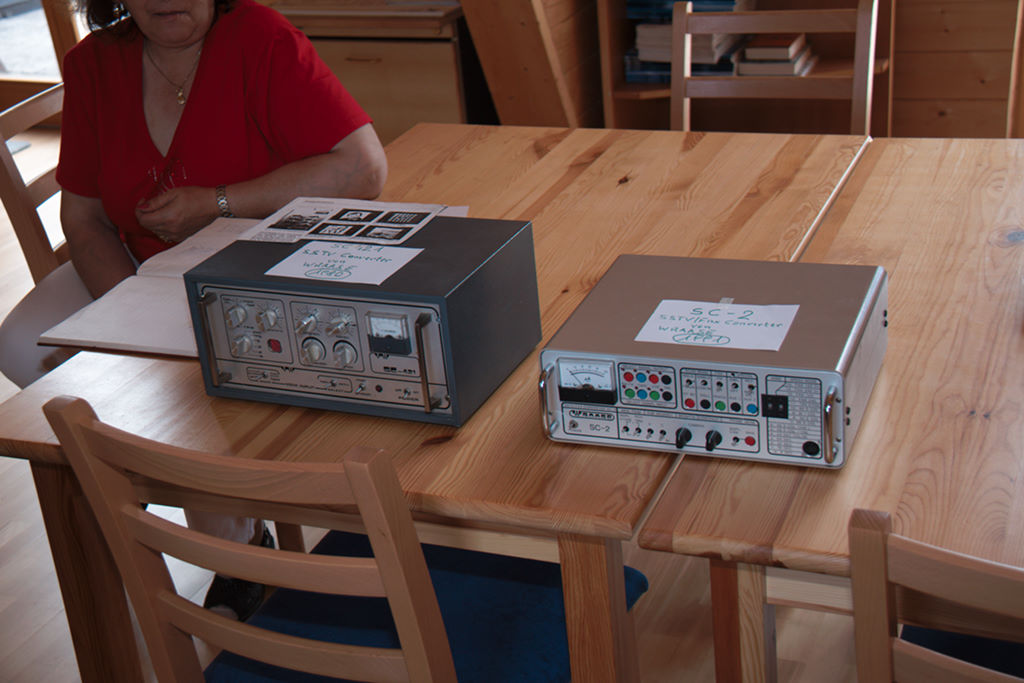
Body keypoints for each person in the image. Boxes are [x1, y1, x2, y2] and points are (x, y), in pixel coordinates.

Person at [0, 0, 387, 619]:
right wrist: (128, 317)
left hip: (255, 266)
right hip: (136, 265)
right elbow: (86, 219)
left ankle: (231, 545)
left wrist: (218, 202)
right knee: (21, 342)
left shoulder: (259, 36)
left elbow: (364, 169)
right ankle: (145, 466)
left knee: (196, 383)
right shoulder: (94, 63)